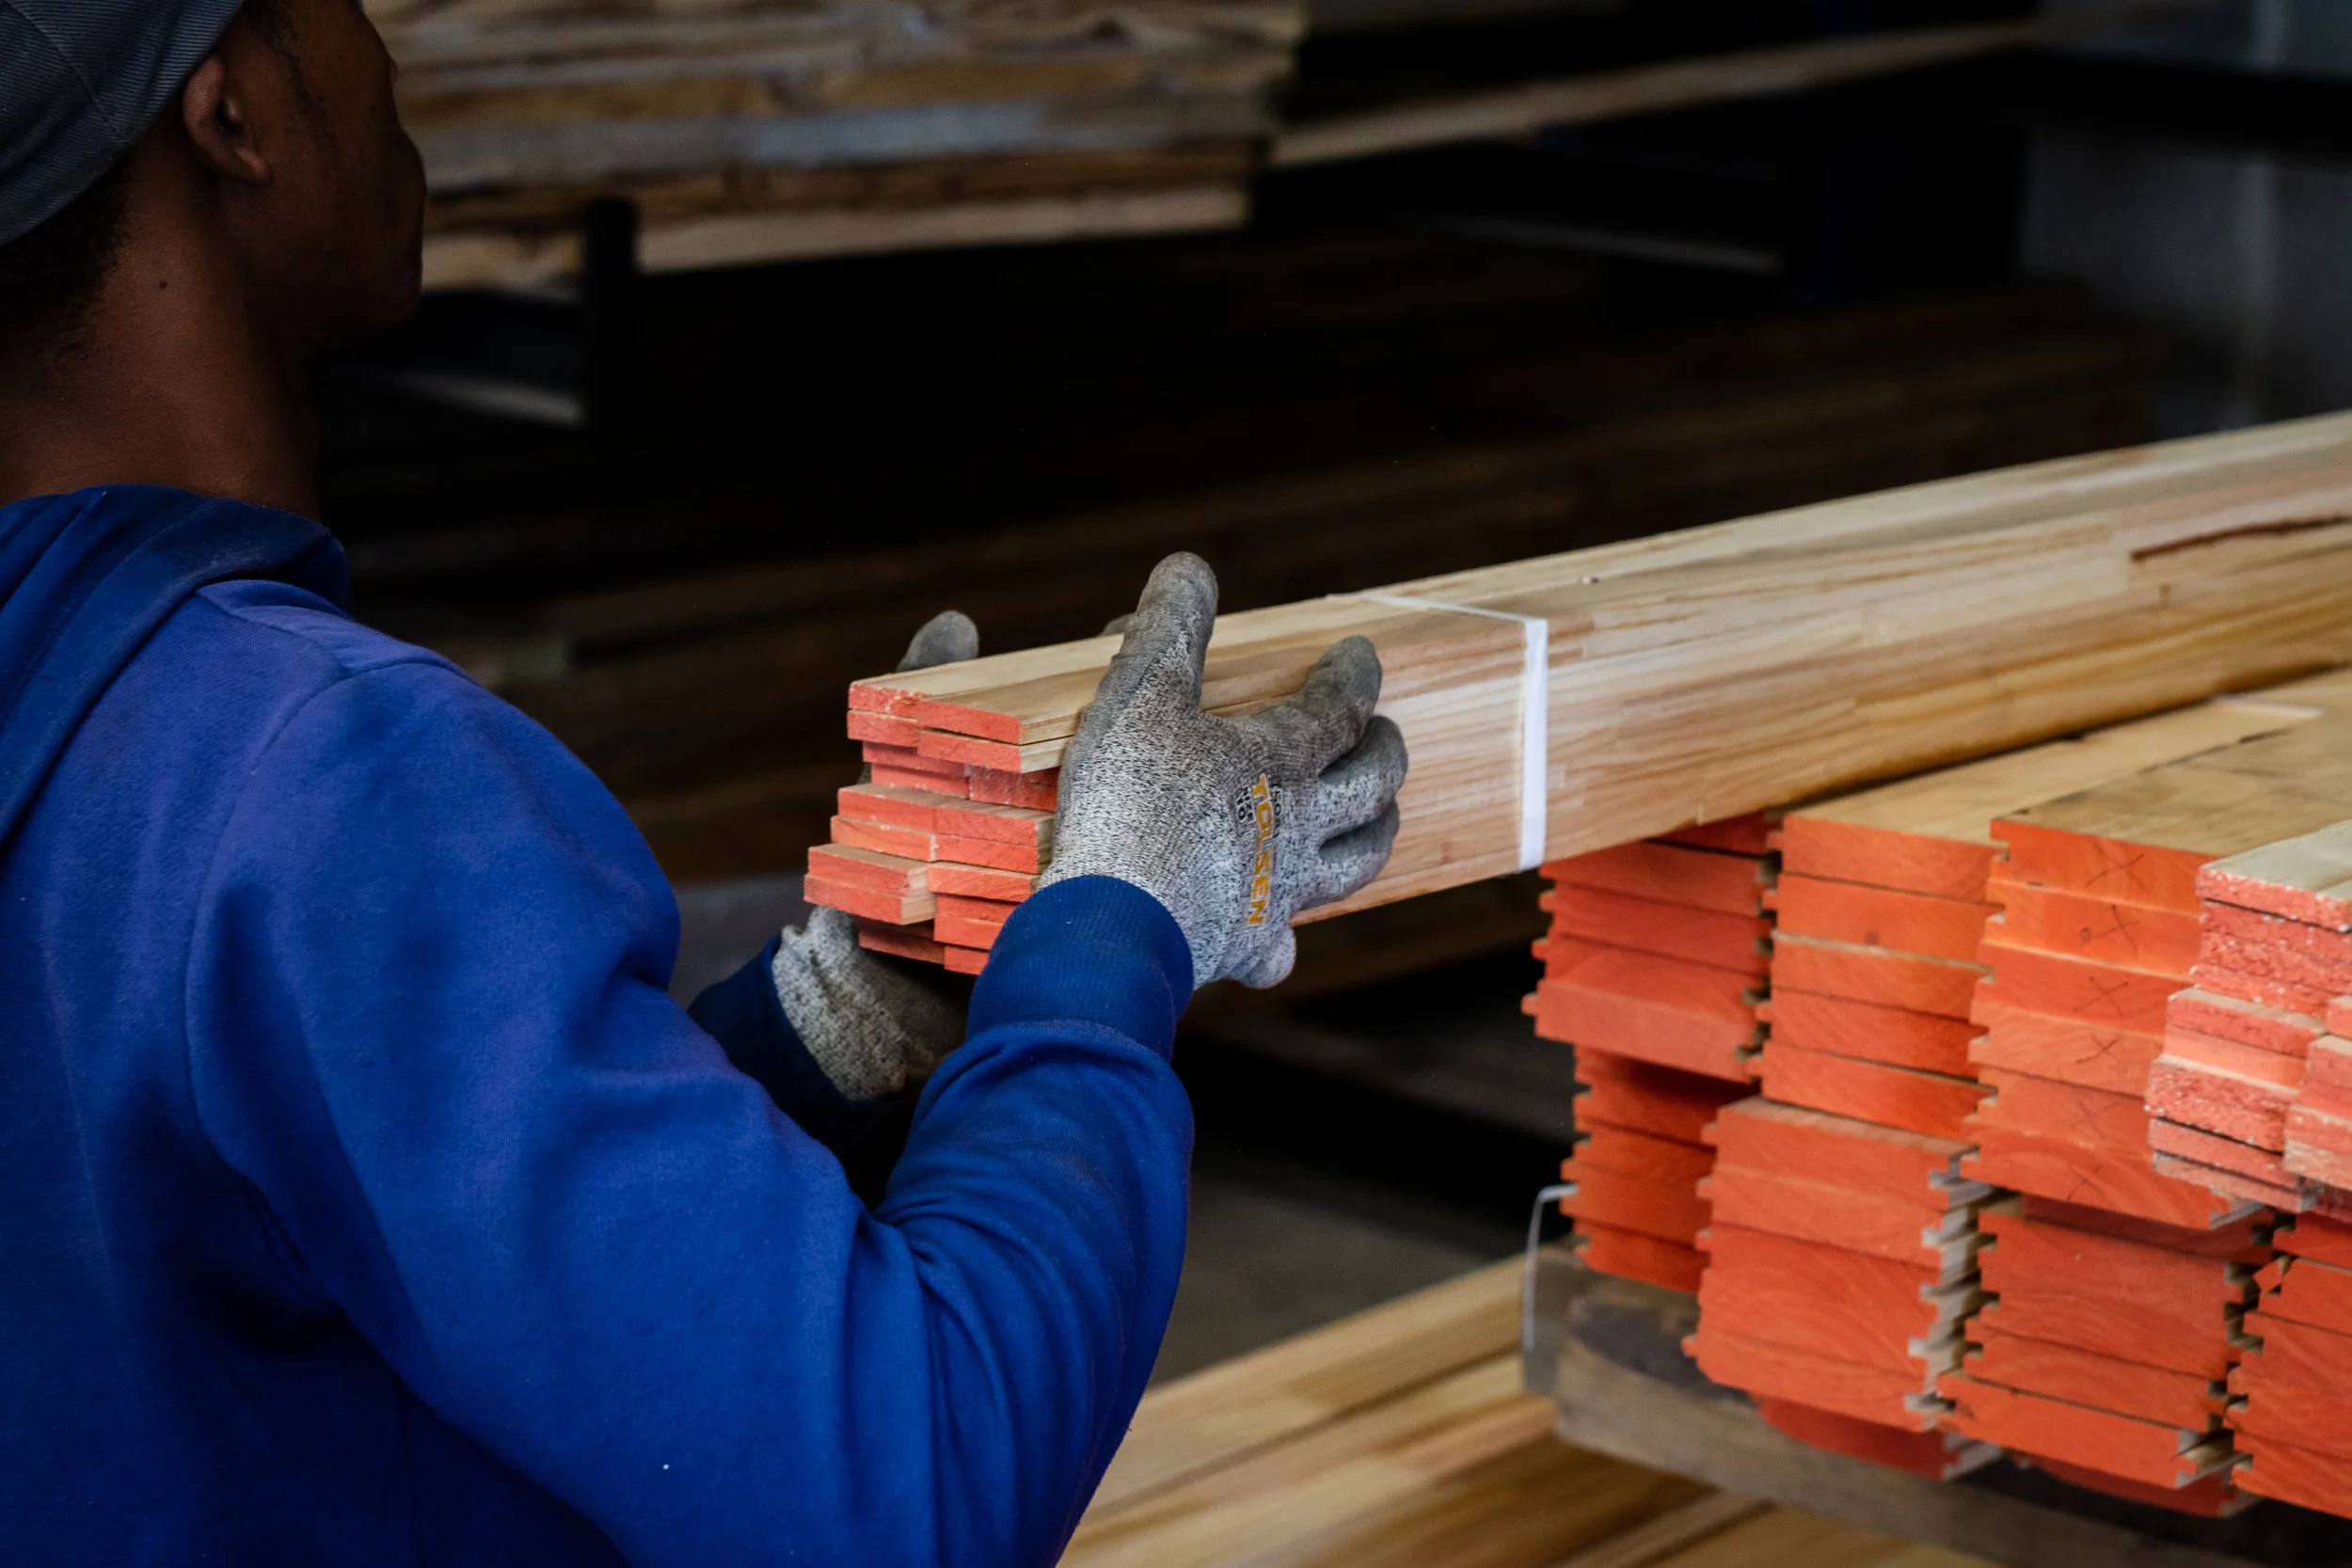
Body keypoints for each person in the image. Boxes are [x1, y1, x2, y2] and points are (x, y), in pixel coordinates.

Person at [0, 1, 1409, 1563]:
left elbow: (346, 1231)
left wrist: (826, 1029)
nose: (382, 43)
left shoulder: (78, 712)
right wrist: (1117, 928)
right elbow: (907, 1485)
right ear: (234, 113)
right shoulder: (323, 779)